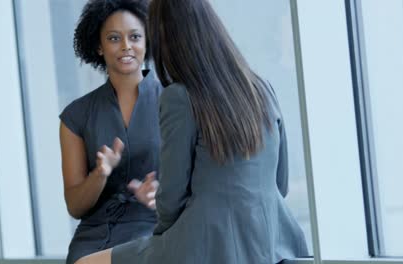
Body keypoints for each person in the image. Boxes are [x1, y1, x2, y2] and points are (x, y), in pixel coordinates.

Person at [76, 0, 308, 263]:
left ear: (166, 39)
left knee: (86, 262)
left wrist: (162, 239)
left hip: (204, 241)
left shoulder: (179, 97)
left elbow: (171, 200)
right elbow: (281, 183)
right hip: (273, 242)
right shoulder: (262, 87)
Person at [59, 0, 162, 263]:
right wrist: (100, 174)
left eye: (135, 37)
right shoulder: (76, 115)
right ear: (99, 47)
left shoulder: (174, 102)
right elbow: (75, 206)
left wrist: (162, 193)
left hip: (156, 227)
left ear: (147, 41)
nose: (126, 46)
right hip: (95, 234)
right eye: (114, 38)